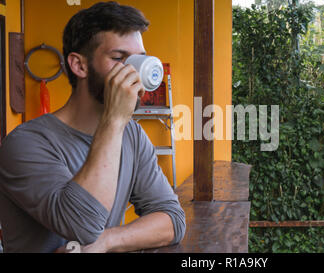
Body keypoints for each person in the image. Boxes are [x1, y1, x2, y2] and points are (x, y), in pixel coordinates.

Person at [0, 1, 185, 253]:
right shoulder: (26, 143)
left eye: (139, 61)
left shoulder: (131, 135)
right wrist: (114, 119)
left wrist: (107, 241)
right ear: (80, 65)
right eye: (119, 58)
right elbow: (82, 226)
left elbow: (172, 220)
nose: (133, 73)